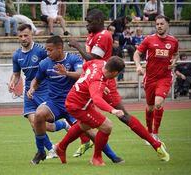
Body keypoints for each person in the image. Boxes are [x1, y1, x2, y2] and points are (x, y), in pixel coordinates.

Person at [69, 9, 170, 162]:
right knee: (79, 113)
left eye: (89, 23)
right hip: (93, 77)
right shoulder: (92, 35)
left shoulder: (103, 36)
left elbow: (93, 58)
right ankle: (76, 146)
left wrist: (77, 46)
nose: (87, 26)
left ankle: (155, 144)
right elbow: (90, 63)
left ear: (98, 22)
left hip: (103, 80)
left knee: (121, 116)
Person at [27, 35, 123, 165]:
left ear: (59, 48)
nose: (47, 53)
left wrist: (66, 72)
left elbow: (81, 73)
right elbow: (36, 80)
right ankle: (40, 151)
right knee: (38, 115)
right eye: (46, 50)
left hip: (75, 103)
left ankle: (112, 156)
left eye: (50, 50)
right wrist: (32, 88)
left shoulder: (72, 59)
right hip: (54, 103)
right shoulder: (45, 64)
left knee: (89, 131)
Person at [8, 24, 70, 162]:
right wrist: (13, 82)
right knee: (33, 123)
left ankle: (64, 124)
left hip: (44, 90)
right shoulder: (17, 55)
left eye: (26, 35)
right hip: (29, 92)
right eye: (20, 36)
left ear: (31, 35)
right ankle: (50, 150)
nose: (23, 38)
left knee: (45, 125)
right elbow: (16, 74)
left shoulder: (41, 51)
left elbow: (51, 67)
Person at [55, 57, 125, 166]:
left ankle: (61, 147)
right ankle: (96, 158)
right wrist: (113, 110)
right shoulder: (97, 81)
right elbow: (97, 99)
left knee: (84, 126)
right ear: (115, 73)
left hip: (76, 101)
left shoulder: (99, 63)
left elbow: (85, 66)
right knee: (107, 126)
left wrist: (98, 86)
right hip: (78, 106)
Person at [133, 15, 179, 144]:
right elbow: (137, 53)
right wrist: (138, 66)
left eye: (161, 24)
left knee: (158, 103)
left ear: (167, 24)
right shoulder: (149, 40)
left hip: (164, 77)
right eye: (157, 24)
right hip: (150, 78)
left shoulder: (173, 41)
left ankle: (155, 133)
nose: (159, 26)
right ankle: (148, 133)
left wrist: (174, 61)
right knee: (150, 107)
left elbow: (176, 54)